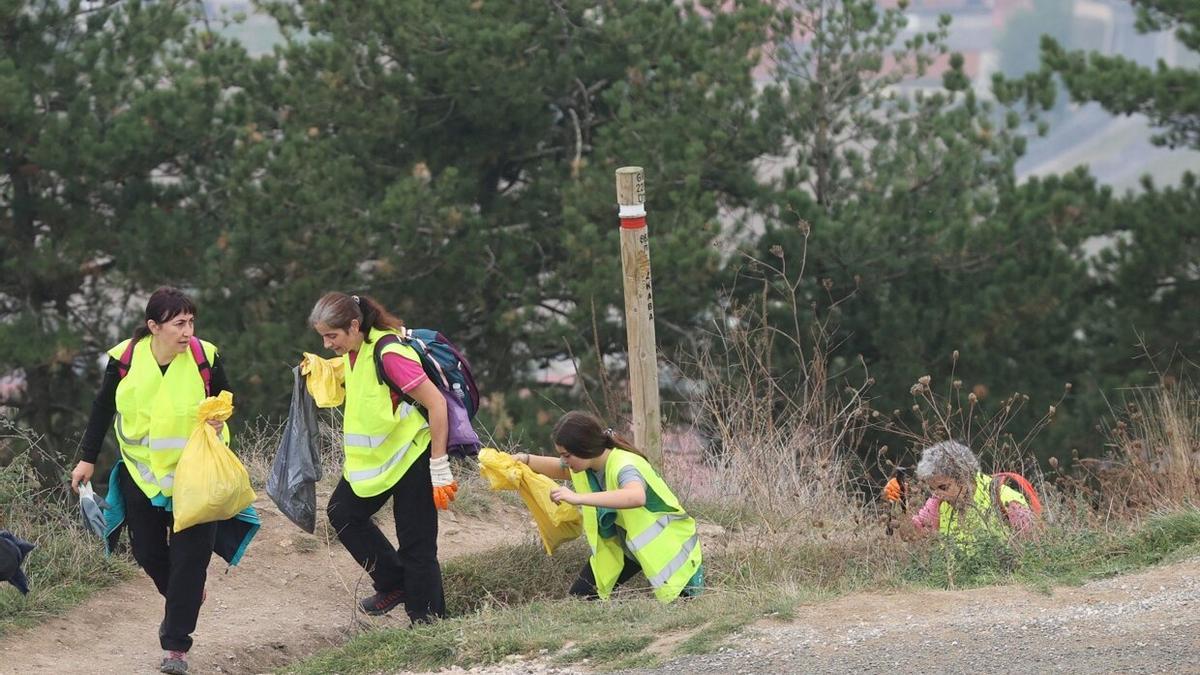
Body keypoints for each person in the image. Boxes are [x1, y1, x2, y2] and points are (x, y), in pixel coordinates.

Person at [70, 287, 258, 675]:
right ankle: (184, 595)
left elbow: (224, 396)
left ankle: (176, 647)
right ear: (154, 326)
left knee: (191, 560)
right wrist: (87, 457)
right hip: (143, 472)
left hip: (198, 474)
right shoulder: (124, 359)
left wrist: (221, 416)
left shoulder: (205, 356)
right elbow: (103, 405)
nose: (187, 331)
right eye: (178, 324)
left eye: (191, 322)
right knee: (149, 553)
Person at [309, 291, 451, 623]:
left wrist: (439, 463)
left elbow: (437, 404)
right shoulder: (356, 350)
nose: (328, 344)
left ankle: (429, 621)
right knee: (342, 513)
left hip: (413, 455)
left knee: (416, 544)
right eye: (323, 337)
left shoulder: (390, 354)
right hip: (378, 461)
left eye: (332, 335)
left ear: (354, 326)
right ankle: (394, 583)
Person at [514, 411, 703, 602]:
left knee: (681, 608)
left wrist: (578, 498)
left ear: (584, 448)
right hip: (627, 547)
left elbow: (636, 496)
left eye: (567, 455)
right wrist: (526, 460)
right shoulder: (586, 466)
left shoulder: (625, 464)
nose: (565, 461)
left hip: (672, 550)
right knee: (581, 599)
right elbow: (559, 468)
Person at [885, 440, 1035, 542]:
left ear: (965, 477)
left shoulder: (1005, 498)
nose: (937, 494)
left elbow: (1032, 547)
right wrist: (901, 501)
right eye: (932, 488)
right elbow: (910, 536)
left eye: (943, 487)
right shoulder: (938, 502)